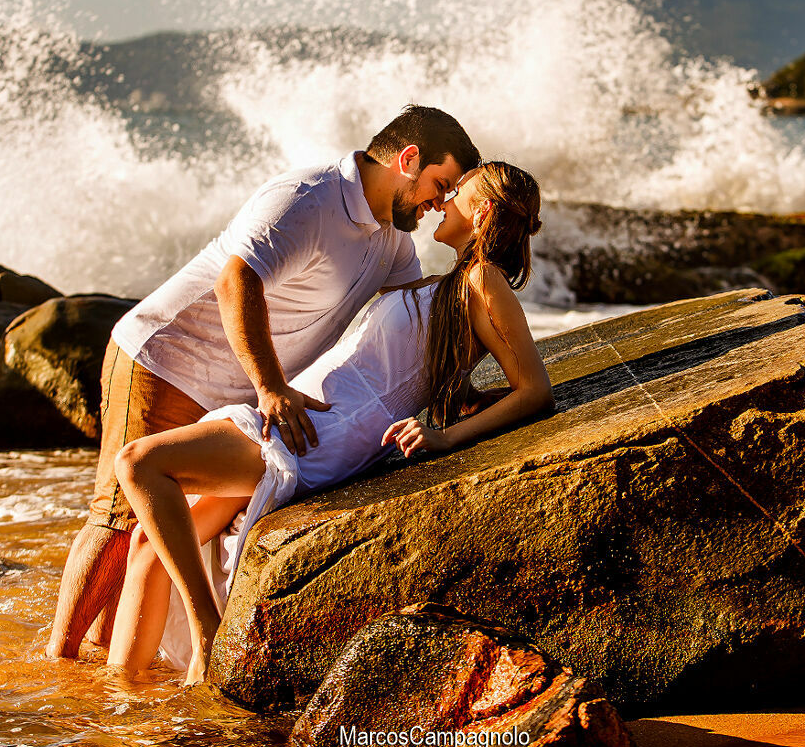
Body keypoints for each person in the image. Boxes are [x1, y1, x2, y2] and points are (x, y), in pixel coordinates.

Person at [46, 106, 480, 659]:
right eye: (440, 185)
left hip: (239, 392)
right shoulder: (308, 197)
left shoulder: (392, 242)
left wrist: (461, 388)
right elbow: (236, 280)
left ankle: (114, 664)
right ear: (408, 159)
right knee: (118, 515)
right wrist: (272, 388)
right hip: (167, 359)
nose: (438, 204)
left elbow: (416, 322)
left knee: (153, 538)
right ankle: (60, 661)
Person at [107, 161, 552, 681]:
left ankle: (209, 630)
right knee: (147, 544)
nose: (443, 202)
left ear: (485, 213)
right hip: (309, 412)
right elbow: (438, 366)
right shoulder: (455, 283)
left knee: (139, 464)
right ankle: (122, 707)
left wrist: (444, 438)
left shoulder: (482, 281)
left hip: (326, 430)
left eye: (457, 194)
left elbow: (535, 390)